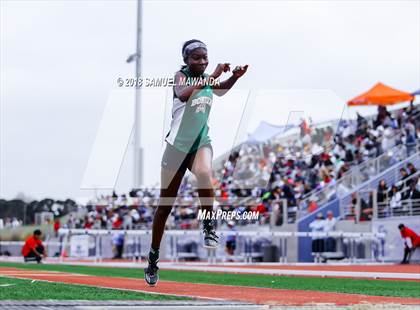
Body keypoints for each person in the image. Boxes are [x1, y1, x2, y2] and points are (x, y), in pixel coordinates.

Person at [144, 39, 248, 286]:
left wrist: (235, 77)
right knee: (164, 207)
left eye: (205, 57)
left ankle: (209, 224)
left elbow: (219, 89)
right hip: (176, 147)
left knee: (203, 172)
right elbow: (183, 94)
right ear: (186, 60)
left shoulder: (207, 79)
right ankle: (153, 258)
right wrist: (212, 74)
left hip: (200, 142)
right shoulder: (180, 77)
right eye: (196, 58)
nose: (202, 61)